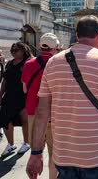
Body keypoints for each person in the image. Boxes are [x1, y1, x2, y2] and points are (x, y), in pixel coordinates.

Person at [26, 15, 98, 179]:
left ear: (77, 35)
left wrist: (36, 152)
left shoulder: (53, 63)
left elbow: (42, 113)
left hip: (64, 156)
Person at [21, 33, 59, 179]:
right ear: (55, 47)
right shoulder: (59, 64)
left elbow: (25, 89)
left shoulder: (28, 64)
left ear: (39, 46)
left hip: (33, 112)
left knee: (35, 152)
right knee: (54, 154)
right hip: (54, 114)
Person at [0, 42, 33, 156]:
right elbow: (5, 80)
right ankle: (10, 144)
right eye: (12, 50)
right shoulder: (10, 63)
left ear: (24, 50)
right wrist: (0, 96)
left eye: (16, 50)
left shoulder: (29, 63)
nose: (13, 52)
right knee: (5, 120)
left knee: (24, 120)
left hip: (24, 96)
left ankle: (26, 143)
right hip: (9, 95)